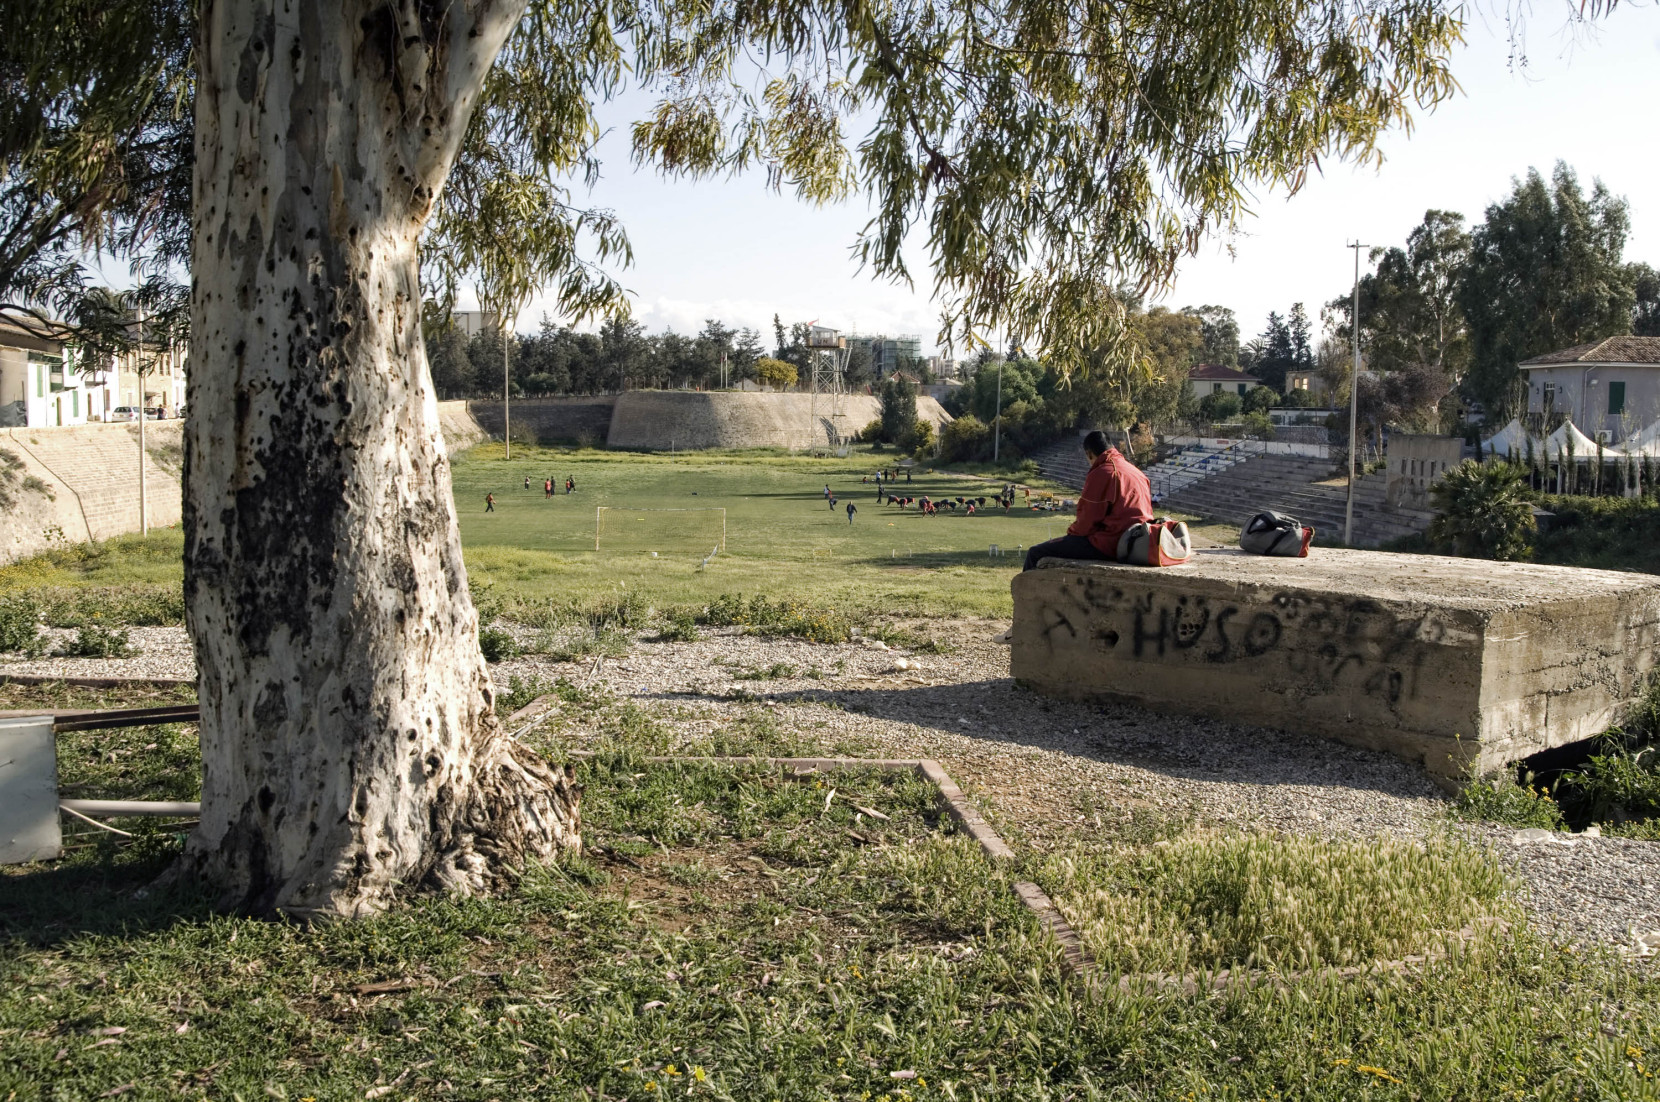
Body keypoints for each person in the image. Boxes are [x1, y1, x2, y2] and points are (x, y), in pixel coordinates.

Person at [1020, 429, 1151, 572]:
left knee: (1035, 553)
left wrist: (1071, 533)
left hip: (1110, 544)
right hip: (1138, 541)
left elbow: (1087, 522)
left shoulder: (1103, 472)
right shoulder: (1137, 472)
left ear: (1089, 454)